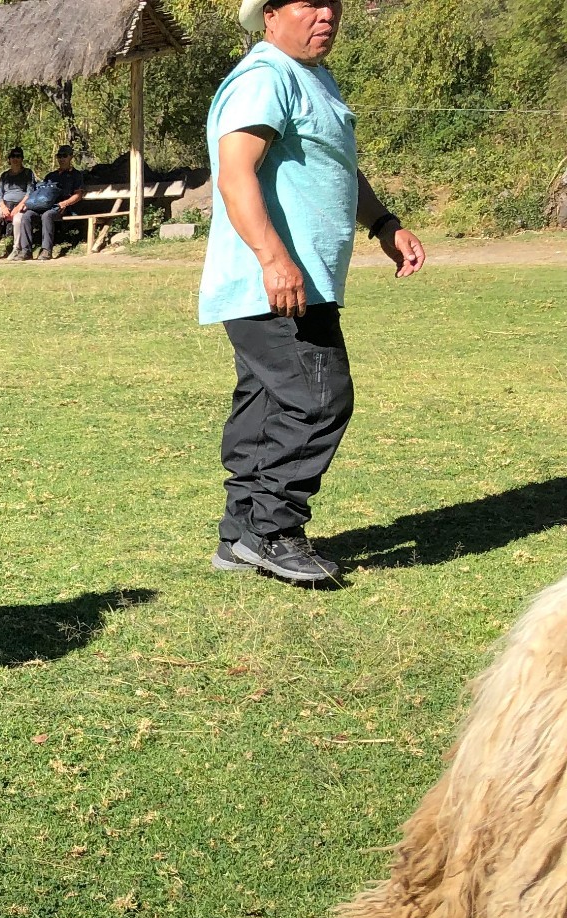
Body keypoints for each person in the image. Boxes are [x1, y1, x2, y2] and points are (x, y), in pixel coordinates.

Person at [201, 0, 424, 584]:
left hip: (296, 280)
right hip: (274, 281)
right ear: (270, 14)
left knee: (268, 402)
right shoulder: (265, 76)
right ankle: (273, 532)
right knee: (319, 397)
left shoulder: (313, 79)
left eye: (333, 2)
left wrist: (383, 224)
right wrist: (274, 260)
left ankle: (240, 533)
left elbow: (339, 166)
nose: (326, 13)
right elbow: (234, 172)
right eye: (308, 2)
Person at [21, 145, 86, 260]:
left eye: (64, 156)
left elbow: (78, 195)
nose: (61, 159)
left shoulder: (76, 175)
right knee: (27, 216)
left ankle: (46, 250)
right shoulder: (51, 176)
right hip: (44, 205)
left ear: (71, 157)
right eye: (59, 156)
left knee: (47, 215)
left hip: (62, 208)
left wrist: (64, 203)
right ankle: (26, 251)